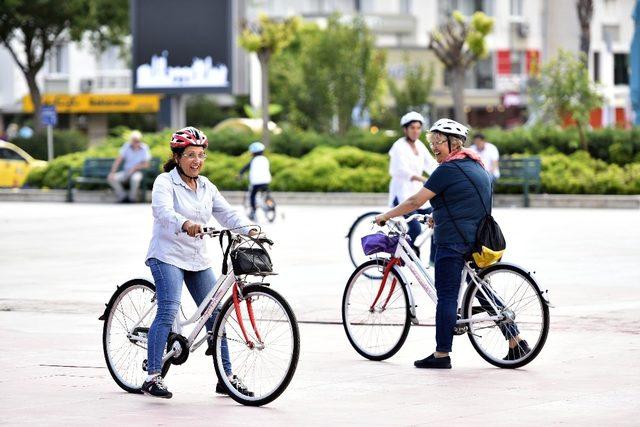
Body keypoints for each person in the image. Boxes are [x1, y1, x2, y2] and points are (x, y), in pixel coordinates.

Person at [375, 118, 529, 369]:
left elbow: (415, 201)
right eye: (432, 142)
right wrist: (439, 216)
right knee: (482, 290)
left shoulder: (447, 170)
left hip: (453, 242)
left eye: (438, 142)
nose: (434, 147)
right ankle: (516, 341)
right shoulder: (478, 167)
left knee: (447, 296)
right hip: (478, 241)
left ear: (453, 143)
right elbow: (466, 201)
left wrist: (386, 215)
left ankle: (441, 355)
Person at [142, 126, 259, 399]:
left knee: (216, 315)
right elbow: (162, 211)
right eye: (191, 155)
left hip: (197, 258)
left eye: (201, 155)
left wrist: (250, 230)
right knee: (169, 309)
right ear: (178, 156)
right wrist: (184, 223)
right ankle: (153, 376)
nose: (197, 160)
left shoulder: (206, 186)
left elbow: (227, 214)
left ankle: (226, 377)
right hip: (167, 255)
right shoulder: (165, 182)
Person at [388, 111, 438, 260]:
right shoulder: (398, 146)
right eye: (412, 128)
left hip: (417, 195)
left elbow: (431, 164)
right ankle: (397, 257)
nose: (415, 131)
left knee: (438, 219)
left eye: (418, 127)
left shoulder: (420, 145)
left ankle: (434, 260)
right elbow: (401, 170)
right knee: (414, 229)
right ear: (405, 129)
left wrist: (445, 173)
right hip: (402, 194)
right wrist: (421, 178)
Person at [107, 130, 151, 203]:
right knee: (111, 178)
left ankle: (132, 198)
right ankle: (123, 197)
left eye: (137, 140)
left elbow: (146, 164)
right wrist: (112, 172)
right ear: (131, 140)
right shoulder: (126, 146)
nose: (136, 142)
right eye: (134, 140)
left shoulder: (144, 148)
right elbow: (118, 160)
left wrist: (135, 168)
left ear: (140, 140)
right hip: (126, 171)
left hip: (137, 172)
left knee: (135, 179)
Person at [237, 141, 272, 221]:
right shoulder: (265, 159)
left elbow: (245, 168)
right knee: (266, 193)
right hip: (266, 180)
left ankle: (253, 211)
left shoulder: (253, 160)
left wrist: (240, 174)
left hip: (256, 182)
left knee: (252, 195)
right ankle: (269, 203)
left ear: (253, 153)